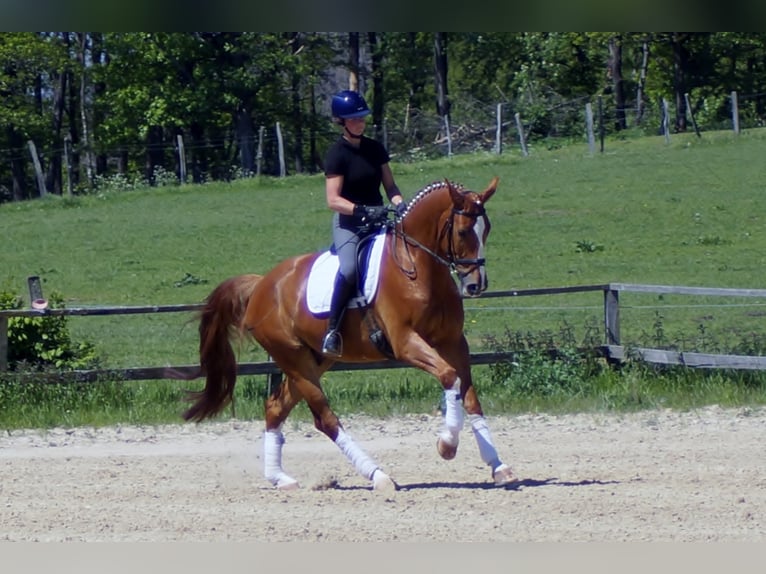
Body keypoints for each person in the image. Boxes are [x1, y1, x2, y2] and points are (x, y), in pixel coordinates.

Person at [321, 89, 407, 358]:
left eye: (362, 118)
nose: (361, 122)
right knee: (348, 270)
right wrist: (361, 210)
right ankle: (332, 331)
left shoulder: (375, 149)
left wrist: (400, 203)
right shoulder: (336, 154)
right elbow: (333, 200)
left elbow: (390, 186)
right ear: (342, 121)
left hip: (379, 219)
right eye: (355, 119)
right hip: (349, 224)